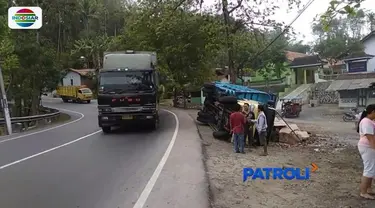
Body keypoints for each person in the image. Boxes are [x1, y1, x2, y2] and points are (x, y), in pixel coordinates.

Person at [357, 104, 375, 200]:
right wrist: (374, 148)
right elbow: (370, 138)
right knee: (369, 169)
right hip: (368, 147)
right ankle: (363, 192)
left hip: (369, 147)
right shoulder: (366, 122)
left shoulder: (369, 121)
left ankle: (368, 189)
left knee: (371, 169)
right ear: (372, 112)